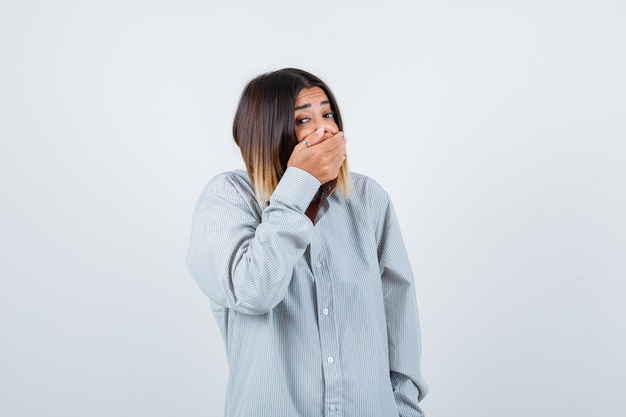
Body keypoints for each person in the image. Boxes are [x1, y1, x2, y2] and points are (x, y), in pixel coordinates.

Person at [186, 68, 428, 417]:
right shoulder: (227, 199)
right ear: (268, 131)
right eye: (304, 119)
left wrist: (405, 410)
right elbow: (253, 290)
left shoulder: (369, 200)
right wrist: (299, 186)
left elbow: (399, 319)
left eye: (328, 114)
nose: (327, 128)